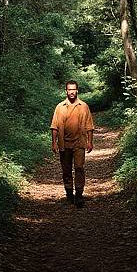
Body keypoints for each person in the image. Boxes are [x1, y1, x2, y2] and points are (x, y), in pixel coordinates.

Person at [50, 80, 94, 208]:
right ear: (66, 91)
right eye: (69, 89)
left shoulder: (84, 106)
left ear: (77, 91)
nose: (72, 92)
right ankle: (69, 195)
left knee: (79, 168)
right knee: (66, 170)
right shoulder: (60, 107)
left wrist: (90, 142)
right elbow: (54, 126)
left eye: (73, 89)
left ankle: (79, 195)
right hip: (64, 143)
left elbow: (89, 125)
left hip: (79, 143)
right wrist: (54, 143)